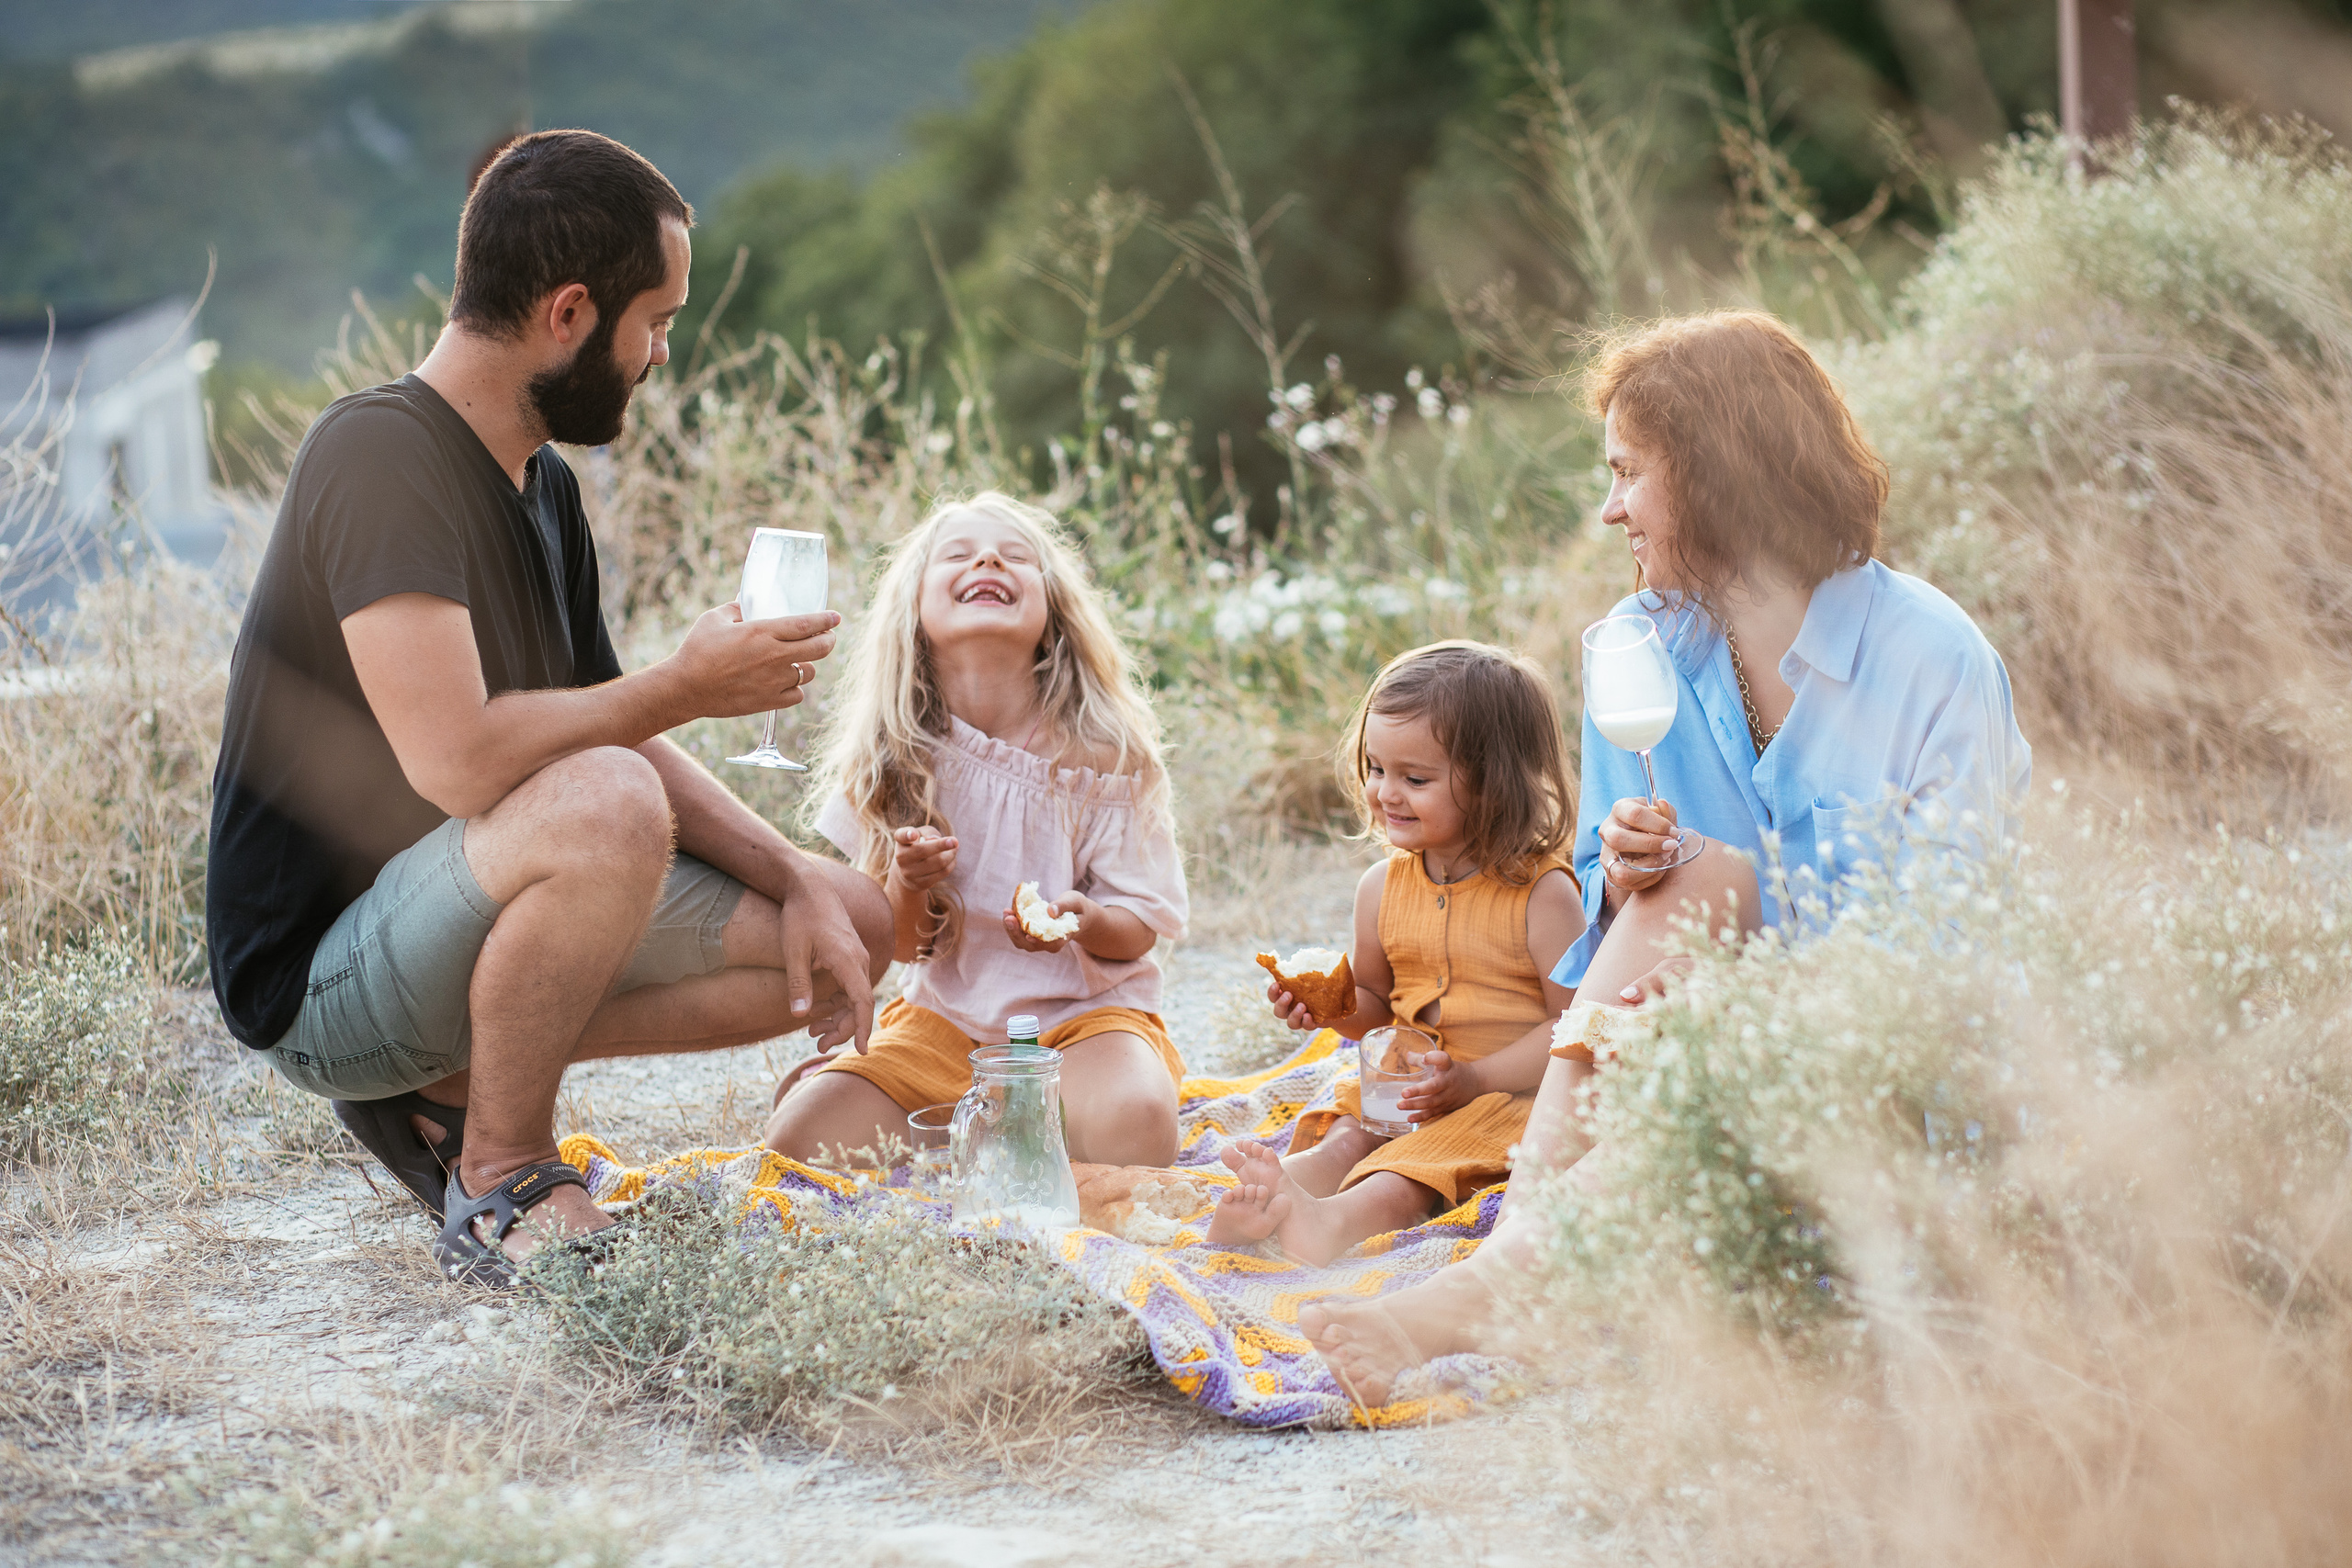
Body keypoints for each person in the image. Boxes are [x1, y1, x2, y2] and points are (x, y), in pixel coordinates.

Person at [1301, 310, 2032, 1403]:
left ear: (1718, 471)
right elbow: (1603, 919)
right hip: (1668, 1035)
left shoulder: (1932, 659)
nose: (1609, 509)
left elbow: (1944, 941)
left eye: (1629, 474)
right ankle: (1531, 1254)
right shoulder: (1634, 649)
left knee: (1718, 975)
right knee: (1689, 874)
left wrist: (1742, 1000)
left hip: (1881, 1055)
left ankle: (1507, 1285)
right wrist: (1622, 873)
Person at [206, 130, 890, 1287]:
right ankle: (500, 1164)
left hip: (473, 904)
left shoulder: (545, 486)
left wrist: (799, 876)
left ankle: (450, 1084)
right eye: (656, 322)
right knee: (604, 798)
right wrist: (681, 684)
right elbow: (466, 764)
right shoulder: (378, 455)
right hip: (319, 979)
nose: (662, 353)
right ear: (571, 313)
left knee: (850, 928)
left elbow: (598, 724)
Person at [763, 491, 1189, 1168]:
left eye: (1015, 556)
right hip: (945, 1025)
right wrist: (909, 883)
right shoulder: (893, 753)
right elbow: (902, 946)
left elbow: (1142, 925)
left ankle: (997, 1137)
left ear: (1053, 614)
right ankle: (1007, 1138)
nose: (988, 558)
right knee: (797, 1144)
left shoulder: (1102, 752)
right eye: (957, 555)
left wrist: (1085, 921)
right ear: (915, 612)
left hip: (1084, 1024)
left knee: (1136, 1124)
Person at [1207, 641, 1586, 1266]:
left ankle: (1329, 1223)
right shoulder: (1380, 888)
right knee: (1350, 1136)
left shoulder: (1543, 894)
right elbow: (1375, 1008)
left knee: (1409, 1172)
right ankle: (1271, 1192)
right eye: (1376, 768)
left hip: (1506, 1097)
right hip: (1404, 1090)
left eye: (1415, 778)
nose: (1386, 792)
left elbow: (1571, 1029)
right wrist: (1328, 1006)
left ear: (1494, 785)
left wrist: (1474, 1080)